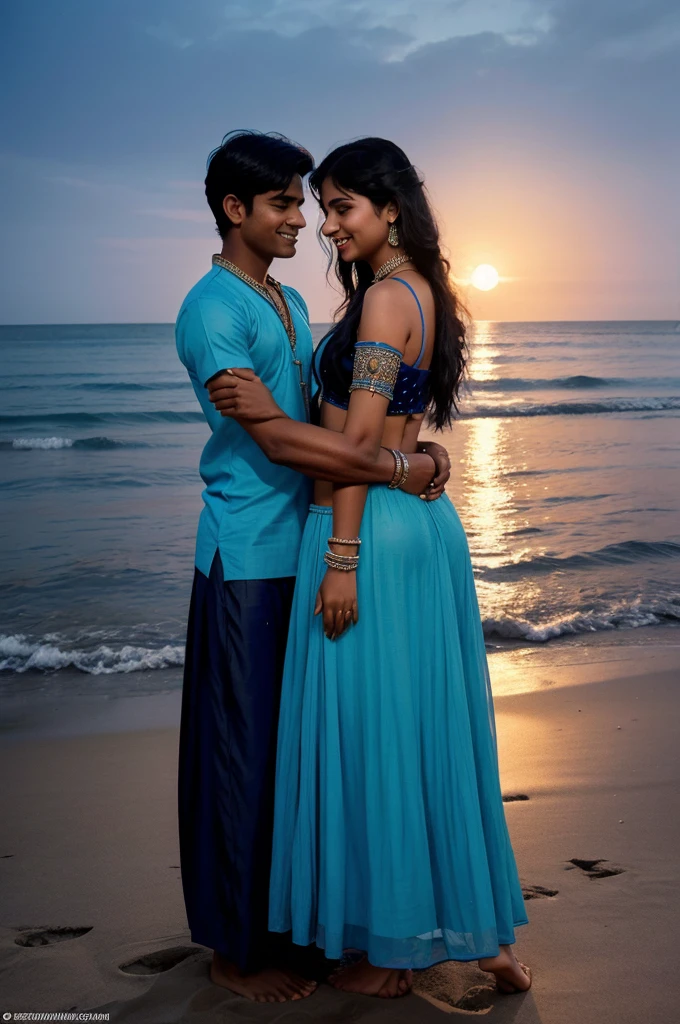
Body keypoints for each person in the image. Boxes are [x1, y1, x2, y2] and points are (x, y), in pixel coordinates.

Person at [209, 137, 531, 1000]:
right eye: (320, 209)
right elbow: (394, 431)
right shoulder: (418, 292)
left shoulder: (386, 300)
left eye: (343, 206)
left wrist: (341, 557)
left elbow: (353, 449)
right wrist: (413, 461)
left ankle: (392, 950)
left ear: (392, 209)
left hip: (366, 535)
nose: (326, 225)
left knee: (376, 739)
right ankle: (484, 940)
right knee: (422, 733)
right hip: (411, 527)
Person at [175, 130, 451, 1004]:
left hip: (313, 543)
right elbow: (276, 436)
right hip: (248, 555)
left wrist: (391, 468)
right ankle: (235, 947)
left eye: (317, 203)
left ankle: (302, 924)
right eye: (288, 203)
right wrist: (411, 468)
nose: (305, 220)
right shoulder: (210, 310)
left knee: (297, 758)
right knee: (239, 754)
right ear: (234, 210)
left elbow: (332, 432)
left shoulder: (290, 303)